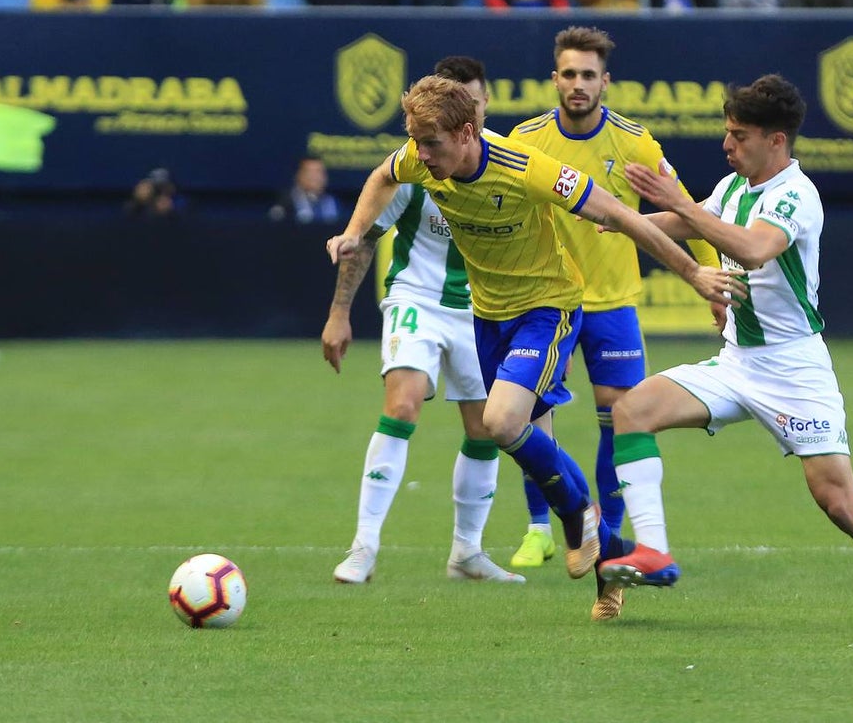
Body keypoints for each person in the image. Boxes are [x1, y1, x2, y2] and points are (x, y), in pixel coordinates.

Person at [327, 75, 741, 603]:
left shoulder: (524, 167)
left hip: (546, 309)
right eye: (415, 140)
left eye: (430, 142)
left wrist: (692, 273)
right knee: (515, 433)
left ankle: (578, 517)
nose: (420, 153)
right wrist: (355, 233)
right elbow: (383, 176)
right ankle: (607, 548)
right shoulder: (417, 156)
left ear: (467, 132)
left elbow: (618, 215)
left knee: (501, 422)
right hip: (487, 316)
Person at [595, 74, 853, 631]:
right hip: (736, 362)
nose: (727, 145)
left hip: (795, 369)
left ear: (776, 141)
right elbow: (679, 221)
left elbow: (752, 247)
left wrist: (676, 203)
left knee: (840, 504)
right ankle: (655, 552)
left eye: (738, 136)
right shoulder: (734, 187)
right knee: (632, 410)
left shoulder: (796, 194)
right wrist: (609, 218)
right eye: (727, 133)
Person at [506, 26, 722, 621]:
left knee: (619, 421)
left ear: (607, 81)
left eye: (588, 75)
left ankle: (613, 569)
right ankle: (550, 526)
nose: (578, 85)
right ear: (555, 78)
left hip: (612, 304)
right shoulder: (525, 141)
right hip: (546, 301)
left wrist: (711, 283)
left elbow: (688, 211)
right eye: (568, 74)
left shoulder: (634, 143)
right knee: (523, 421)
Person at [323, 57, 525, 585]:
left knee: (485, 428)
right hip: (418, 298)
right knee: (404, 403)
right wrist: (339, 312)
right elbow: (366, 234)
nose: (468, 110)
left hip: (483, 310)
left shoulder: (509, 160)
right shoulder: (419, 159)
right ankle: (363, 548)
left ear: (483, 107)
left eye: (475, 102)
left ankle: (466, 553)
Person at [268, 155, 345, 224]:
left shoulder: (334, 203)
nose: (315, 177)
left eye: (319, 172)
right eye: (310, 172)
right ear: (299, 175)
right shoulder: (286, 202)